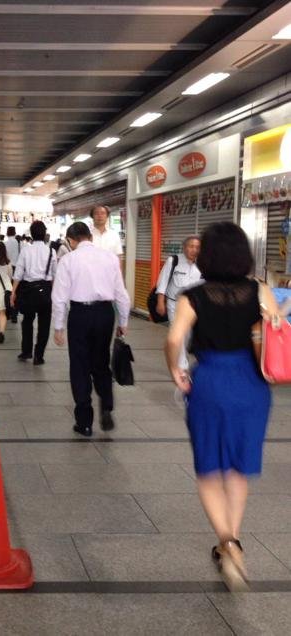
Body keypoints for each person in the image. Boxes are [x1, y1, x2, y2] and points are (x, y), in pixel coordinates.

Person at [165, 222, 277, 592]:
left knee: (210, 469)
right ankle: (233, 541)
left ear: (207, 256)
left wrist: (175, 370)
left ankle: (227, 542)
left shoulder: (192, 296)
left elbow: (174, 339)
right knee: (238, 468)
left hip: (211, 382)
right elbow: (275, 328)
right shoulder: (260, 290)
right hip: (252, 384)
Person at [52, 222, 130, 436]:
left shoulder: (68, 260)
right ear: (90, 237)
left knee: (79, 366)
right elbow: (121, 293)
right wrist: (123, 321)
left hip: (79, 315)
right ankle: (106, 406)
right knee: (101, 362)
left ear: (71, 240)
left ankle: (84, 422)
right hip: (105, 314)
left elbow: (59, 297)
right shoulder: (110, 258)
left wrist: (58, 327)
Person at [10, 220, 56, 365]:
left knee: (27, 321)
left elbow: (18, 273)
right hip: (46, 290)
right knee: (44, 324)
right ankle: (39, 356)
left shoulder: (26, 250)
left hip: (29, 290)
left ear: (31, 233)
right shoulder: (51, 251)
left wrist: (13, 292)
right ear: (44, 233)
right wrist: (54, 295)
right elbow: (54, 276)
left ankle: (26, 351)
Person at [156, 236, 202, 369]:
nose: (194, 250)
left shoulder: (203, 264)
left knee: (189, 335)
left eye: (197, 247)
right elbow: (163, 282)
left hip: (193, 306)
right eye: (191, 246)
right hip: (174, 304)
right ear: (184, 247)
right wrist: (160, 301)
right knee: (179, 334)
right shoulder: (173, 261)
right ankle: (182, 367)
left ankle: (181, 360)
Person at [4, 226, 20, 323]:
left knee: (7, 291)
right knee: (15, 291)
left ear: (7, 233)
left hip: (7, 268)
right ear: (14, 233)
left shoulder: (5, 243)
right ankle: (14, 315)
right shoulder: (18, 243)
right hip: (17, 268)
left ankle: (8, 313)